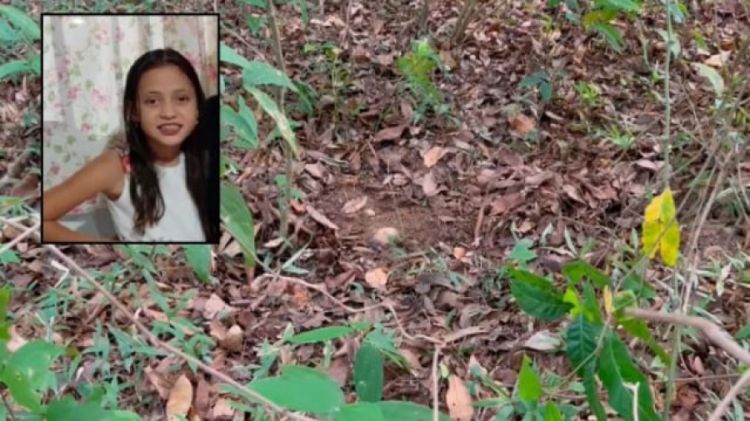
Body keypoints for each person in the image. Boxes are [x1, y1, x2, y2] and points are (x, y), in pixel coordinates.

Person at [43, 48, 215, 242]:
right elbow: (38, 218)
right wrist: (108, 249)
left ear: (198, 107)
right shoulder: (116, 167)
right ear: (134, 112)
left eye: (182, 99)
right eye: (152, 101)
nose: (168, 113)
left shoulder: (209, 156)